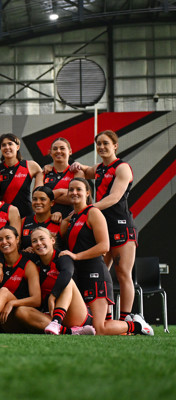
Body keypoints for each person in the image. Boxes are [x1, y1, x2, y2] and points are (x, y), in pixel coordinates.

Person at [59, 178, 152, 335]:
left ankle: (138, 326)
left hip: (96, 276)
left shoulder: (93, 213)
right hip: (80, 276)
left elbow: (104, 247)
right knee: (89, 326)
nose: (74, 192)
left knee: (99, 329)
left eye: (79, 189)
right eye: (71, 190)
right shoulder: (71, 219)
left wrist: (76, 256)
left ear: (87, 193)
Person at [71, 130, 138, 322]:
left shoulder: (122, 168)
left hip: (121, 227)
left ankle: (126, 319)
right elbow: (84, 171)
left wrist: (86, 209)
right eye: (98, 144)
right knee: (101, 273)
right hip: (103, 227)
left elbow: (115, 197)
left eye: (105, 143)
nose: (101, 147)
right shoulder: (99, 168)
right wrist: (77, 165)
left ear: (115, 145)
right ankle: (104, 318)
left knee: (123, 273)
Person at [10, 227, 96, 335]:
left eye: (42, 239)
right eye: (34, 241)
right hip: (50, 313)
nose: (39, 243)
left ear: (52, 240)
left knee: (68, 282)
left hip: (75, 313)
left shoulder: (62, 257)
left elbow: (67, 273)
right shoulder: (33, 259)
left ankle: (56, 322)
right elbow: (11, 253)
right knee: (20, 311)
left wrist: (53, 295)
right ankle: (70, 332)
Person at [0, 133, 43, 217]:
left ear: (17, 147)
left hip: (27, 216)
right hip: (5, 217)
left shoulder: (30, 165)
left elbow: (46, 178)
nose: (7, 147)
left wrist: (48, 168)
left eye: (10, 144)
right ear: (1, 148)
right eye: (3, 145)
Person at [43, 137, 84, 217]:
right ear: (51, 153)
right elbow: (37, 198)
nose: (58, 151)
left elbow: (79, 198)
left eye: (62, 148)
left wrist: (47, 196)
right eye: (55, 149)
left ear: (70, 151)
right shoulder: (44, 173)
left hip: (72, 219)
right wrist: (63, 192)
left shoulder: (77, 172)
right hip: (48, 220)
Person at [20, 186, 61, 251]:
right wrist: (24, 251)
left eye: (42, 199)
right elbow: (17, 246)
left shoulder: (59, 222)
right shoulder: (24, 221)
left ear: (51, 203)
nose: (38, 202)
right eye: (34, 199)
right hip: (28, 260)